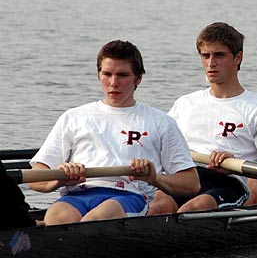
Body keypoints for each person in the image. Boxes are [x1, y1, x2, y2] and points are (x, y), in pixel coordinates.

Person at [28, 40, 200, 225]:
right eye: (107, 74)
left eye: (122, 75)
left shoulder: (161, 122)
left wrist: (154, 178)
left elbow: (191, 183)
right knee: (56, 218)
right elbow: (36, 175)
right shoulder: (73, 117)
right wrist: (58, 180)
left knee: (95, 220)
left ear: (138, 79)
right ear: (98, 74)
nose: (113, 83)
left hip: (129, 195)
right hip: (80, 193)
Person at [151, 23, 257, 213]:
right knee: (157, 207)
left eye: (219, 55)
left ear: (238, 57)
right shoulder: (185, 104)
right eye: (206, 56)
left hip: (229, 182)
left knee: (192, 210)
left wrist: (236, 165)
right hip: (185, 177)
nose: (211, 63)